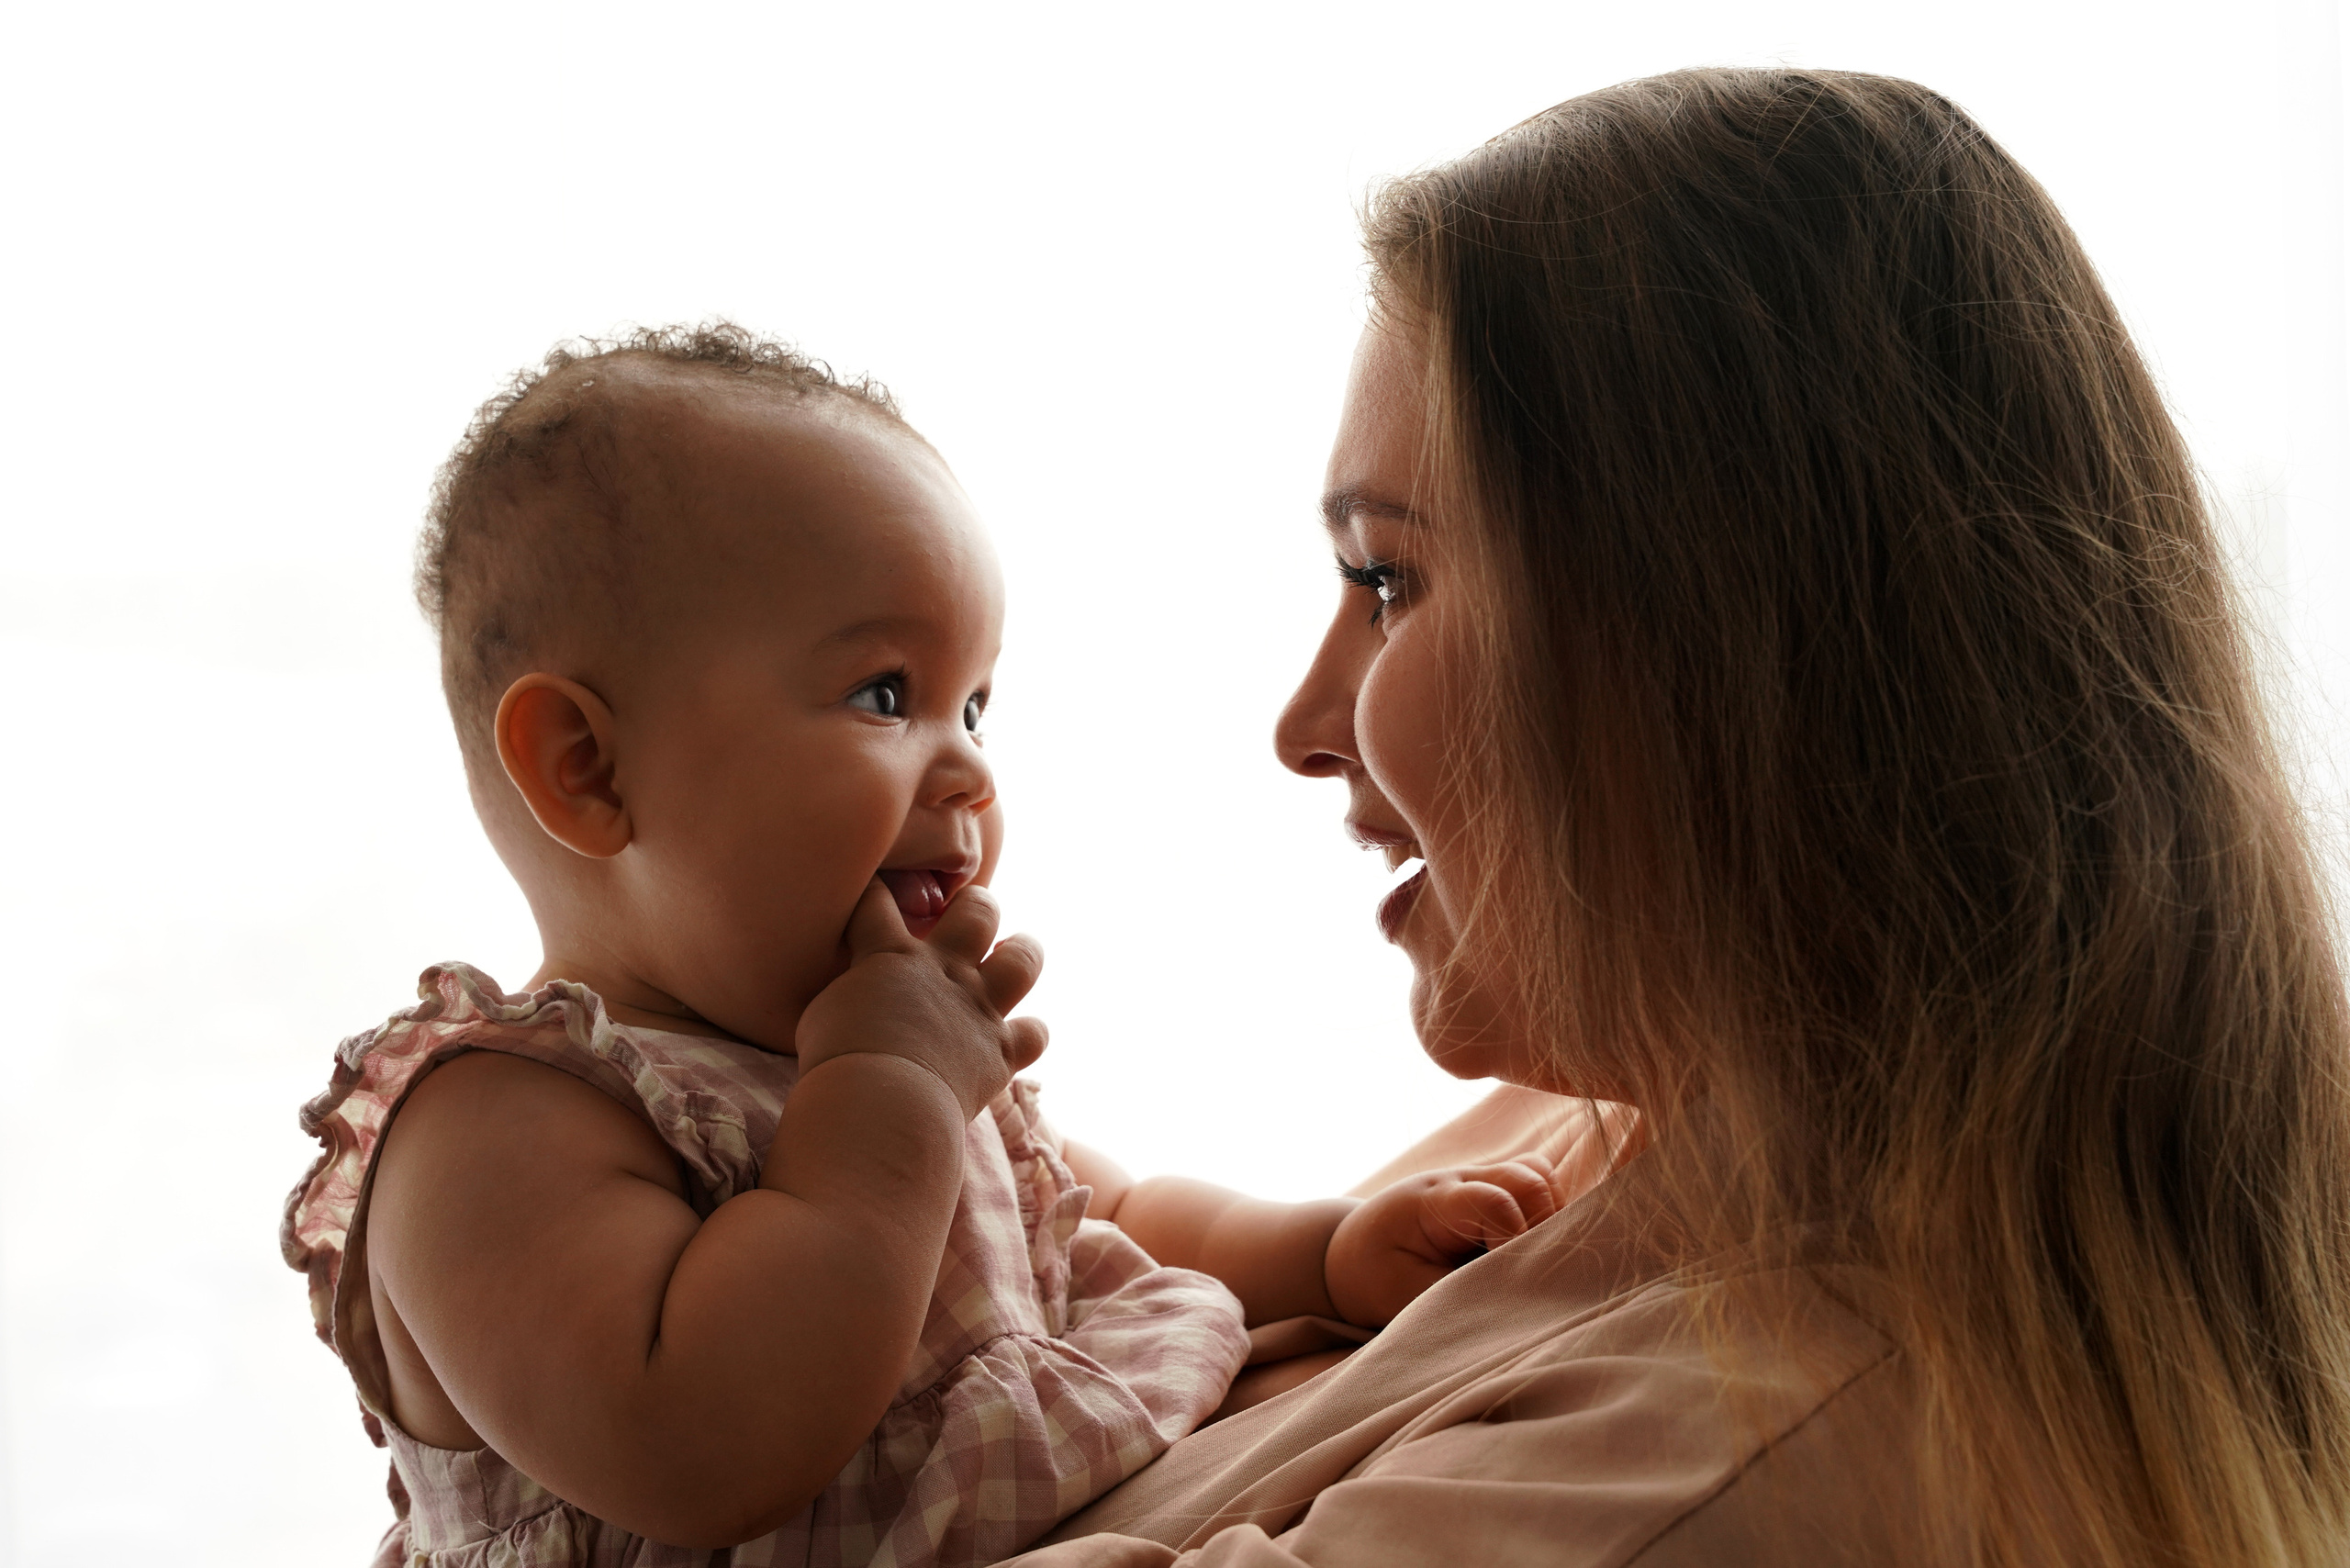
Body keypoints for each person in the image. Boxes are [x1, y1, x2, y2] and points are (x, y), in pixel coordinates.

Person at [1011, 68, 2350, 1568]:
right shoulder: (1624, 1125)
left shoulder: (1744, 1454)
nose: (1304, 729)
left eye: (1389, 581)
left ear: (1713, 653)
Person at [278, 326, 1565, 1568]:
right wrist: (889, 1095)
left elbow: (1101, 1216)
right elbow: (705, 1444)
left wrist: (1323, 1250)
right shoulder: (496, 1132)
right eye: (884, 695)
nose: (965, 768)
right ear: (588, 769)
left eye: (976, 705)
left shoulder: (874, 1061)